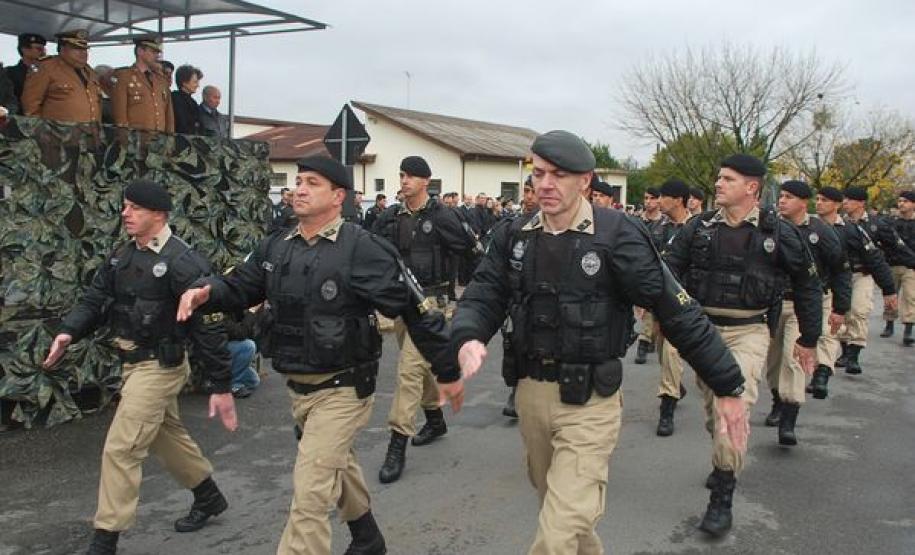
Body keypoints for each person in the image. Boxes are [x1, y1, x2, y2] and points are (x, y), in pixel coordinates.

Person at [453, 130, 748, 553]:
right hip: (531, 395)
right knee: (566, 520)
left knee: (556, 534)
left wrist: (728, 385)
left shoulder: (618, 235)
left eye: (559, 174)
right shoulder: (514, 234)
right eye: (539, 174)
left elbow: (677, 310)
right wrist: (466, 337)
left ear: (585, 180)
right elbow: (483, 294)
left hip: (590, 402)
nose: (546, 184)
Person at [177, 155, 463, 555]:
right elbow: (241, 285)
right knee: (335, 464)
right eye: (298, 181)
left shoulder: (362, 248)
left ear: (337, 196)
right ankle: (368, 539)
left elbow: (414, 310)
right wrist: (208, 290)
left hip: (345, 388)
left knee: (310, 492)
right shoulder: (277, 245)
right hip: (299, 387)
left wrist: (448, 371)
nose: (299, 188)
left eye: (312, 182)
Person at [42, 179, 236, 555]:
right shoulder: (123, 255)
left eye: (134, 208)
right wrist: (68, 332)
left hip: (159, 367)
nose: (125, 213)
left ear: (159, 215)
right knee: (166, 436)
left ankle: (106, 537)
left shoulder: (182, 262)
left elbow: (209, 325)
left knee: (122, 447)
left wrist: (220, 383)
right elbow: (96, 297)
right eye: (125, 206)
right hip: (132, 364)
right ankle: (208, 496)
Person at [663, 153, 822, 536]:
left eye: (728, 179)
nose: (718, 184)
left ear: (751, 187)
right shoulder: (698, 229)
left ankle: (723, 496)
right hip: (701, 332)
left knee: (730, 410)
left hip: (749, 331)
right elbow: (666, 272)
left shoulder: (780, 233)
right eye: (718, 178)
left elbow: (807, 283)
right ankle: (724, 459)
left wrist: (809, 338)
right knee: (712, 413)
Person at [371, 155, 479, 484]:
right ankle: (435, 419)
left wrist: (473, 299)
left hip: (433, 306)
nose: (403, 181)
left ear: (425, 182)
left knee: (409, 371)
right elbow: (370, 254)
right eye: (401, 175)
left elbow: (475, 255)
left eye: (410, 176)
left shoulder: (444, 217)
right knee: (427, 369)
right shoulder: (390, 218)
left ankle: (396, 444)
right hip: (402, 305)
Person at [762, 181, 850, 445]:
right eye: (782, 196)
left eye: (789, 197)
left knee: (794, 358)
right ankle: (778, 400)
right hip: (775, 303)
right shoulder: (771, 229)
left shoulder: (820, 231)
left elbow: (840, 268)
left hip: (806, 303)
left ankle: (789, 417)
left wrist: (840, 308)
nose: (782, 201)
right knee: (774, 361)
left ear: (804, 202)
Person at [809, 187, 896, 395]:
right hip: (819, 283)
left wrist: (889, 289)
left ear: (836, 205)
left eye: (825, 200)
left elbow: (874, 258)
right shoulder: (808, 228)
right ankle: (834, 357)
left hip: (857, 276)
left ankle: (829, 368)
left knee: (855, 313)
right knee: (817, 329)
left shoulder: (850, 230)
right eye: (817, 199)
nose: (819, 203)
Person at [838, 187, 912, 373]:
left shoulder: (876, 225)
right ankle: (845, 351)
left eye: (849, 199)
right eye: (844, 199)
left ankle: (854, 355)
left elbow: (896, 246)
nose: (845, 202)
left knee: (859, 311)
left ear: (861, 203)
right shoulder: (838, 223)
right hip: (841, 275)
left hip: (864, 274)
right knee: (843, 313)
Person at [653, 178, 693, 437]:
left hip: (686, 302)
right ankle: (676, 384)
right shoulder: (658, 228)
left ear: (678, 199)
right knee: (661, 349)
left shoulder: (699, 228)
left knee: (671, 351)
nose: (658, 201)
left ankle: (666, 409)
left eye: (663, 196)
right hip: (661, 299)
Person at [21, 30, 101, 124]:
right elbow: (31, 105)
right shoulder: (46, 67)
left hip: (90, 134)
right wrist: (41, 131)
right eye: (77, 49)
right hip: (58, 135)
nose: (83, 53)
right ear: (62, 49)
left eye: (85, 49)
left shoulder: (89, 71)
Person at [112, 36, 174, 132]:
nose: (157, 56)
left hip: (160, 140)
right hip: (136, 140)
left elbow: (169, 115)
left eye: (157, 52)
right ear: (140, 51)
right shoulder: (125, 77)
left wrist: (169, 138)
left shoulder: (161, 81)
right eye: (153, 52)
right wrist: (124, 138)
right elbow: (120, 115)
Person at [633, 187, 665, 364]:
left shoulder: (664, 224)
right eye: (646, 198)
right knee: (646, 309)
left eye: (653, 198)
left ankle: (648, 339)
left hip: (658, 272)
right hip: (638, 271)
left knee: (655, 313)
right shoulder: (636, 221)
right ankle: (644, 342)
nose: (648, 202)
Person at [879, 190, 915, 344]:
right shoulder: (890, 222)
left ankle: (908, 330)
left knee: (910, 297)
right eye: (900, 201)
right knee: (890, 295)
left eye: (905, 201)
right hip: (892, 264)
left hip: (911, 266)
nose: (901, 204)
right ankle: (889, 324)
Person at [5, 33, 47, 112]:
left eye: (44, 50)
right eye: (39, 49)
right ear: (24, 49)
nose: (43, 53)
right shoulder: (8, 73)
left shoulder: (46, 74)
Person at [172, 64, 203, 135]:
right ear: (184, 82)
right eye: (195, 82)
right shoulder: (175, 99)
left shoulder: (193, 102)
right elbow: (182, 124)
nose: (198, 85)